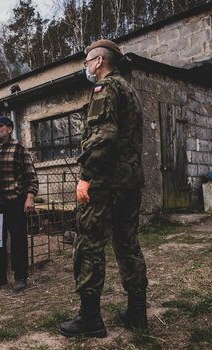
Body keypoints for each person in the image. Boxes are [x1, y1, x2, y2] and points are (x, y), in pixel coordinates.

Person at [59, 40, 148, 338]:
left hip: (105, 183)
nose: (86, 66)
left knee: (89, 245)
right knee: (127, 245)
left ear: (98, 62)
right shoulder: (130, 91)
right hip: (129, 183)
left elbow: (102, 138)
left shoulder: (105, 88)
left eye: (87, 61)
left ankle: (90, 318)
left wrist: (86, 177)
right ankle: (137, 312)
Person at [0, 115, 39, 292]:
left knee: (18, 240)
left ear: (9, 128)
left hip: (15, 203)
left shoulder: (19, 148)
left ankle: (20, 276)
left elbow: (31, 176)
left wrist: (30, 197)